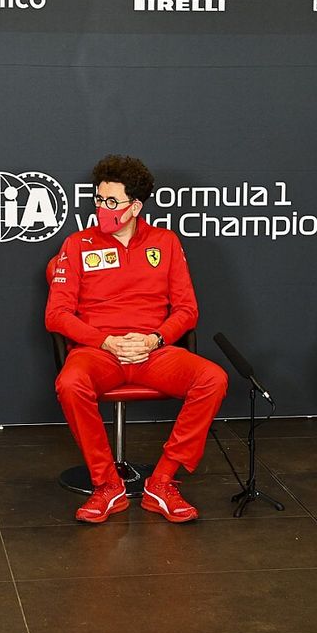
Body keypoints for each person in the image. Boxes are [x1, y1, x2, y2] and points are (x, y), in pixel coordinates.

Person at [46, 155, 228, 524]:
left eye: (112, 202)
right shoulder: (78, 244)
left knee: (213, 378)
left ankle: (162, 482)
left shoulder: (165, 242)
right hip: (99, 353)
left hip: (152, 351)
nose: (102, 208)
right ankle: (106, 485)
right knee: (69, 382)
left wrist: (155, 339)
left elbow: (187, 310)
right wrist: (105, 342)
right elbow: (57, 314)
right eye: (98, 199)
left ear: (135, 206)